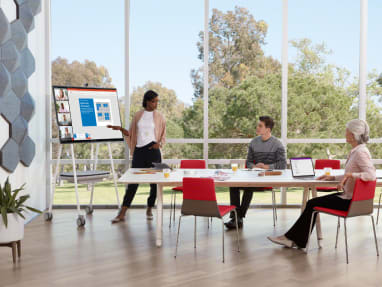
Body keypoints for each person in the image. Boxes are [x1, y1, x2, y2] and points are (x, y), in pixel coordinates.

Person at [268, 119, 376, 249]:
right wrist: (332, 177)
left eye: (347, 131)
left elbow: (371, 175)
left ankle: (292, 239)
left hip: (351, 202)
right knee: (312, 203)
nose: (345, 133)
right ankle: (294, 240)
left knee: (312, 203)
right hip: (348, 198)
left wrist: (350, 175)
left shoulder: (360, 152)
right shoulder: (356, 151)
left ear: (353, 134)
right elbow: (354, 173)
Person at [107, 90, 166, 223]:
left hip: (153, 152)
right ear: (147, 101)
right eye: (153, 101)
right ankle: (122, 213)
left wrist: (159, 144)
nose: (156, 104)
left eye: (157, 101)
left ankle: (150, 207)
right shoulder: (138, 115)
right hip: (139, 152)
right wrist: (121, 130)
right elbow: (132, 133)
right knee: (133, 183)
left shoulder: (160, 117)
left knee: (154, 184)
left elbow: (163, 135)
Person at [225, 116, 286, 229]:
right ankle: (236, 217)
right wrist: (254, 166)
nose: (257, 127)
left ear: (268, 129)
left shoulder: (277, 144)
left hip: (268, 178)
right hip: (254, 175)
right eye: (258, 125)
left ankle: (238, 218)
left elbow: (282, 165)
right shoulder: (253, 142)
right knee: (233, 185)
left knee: (248, 186)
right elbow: (248, 162)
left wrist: (266, 167)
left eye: (260, 125)